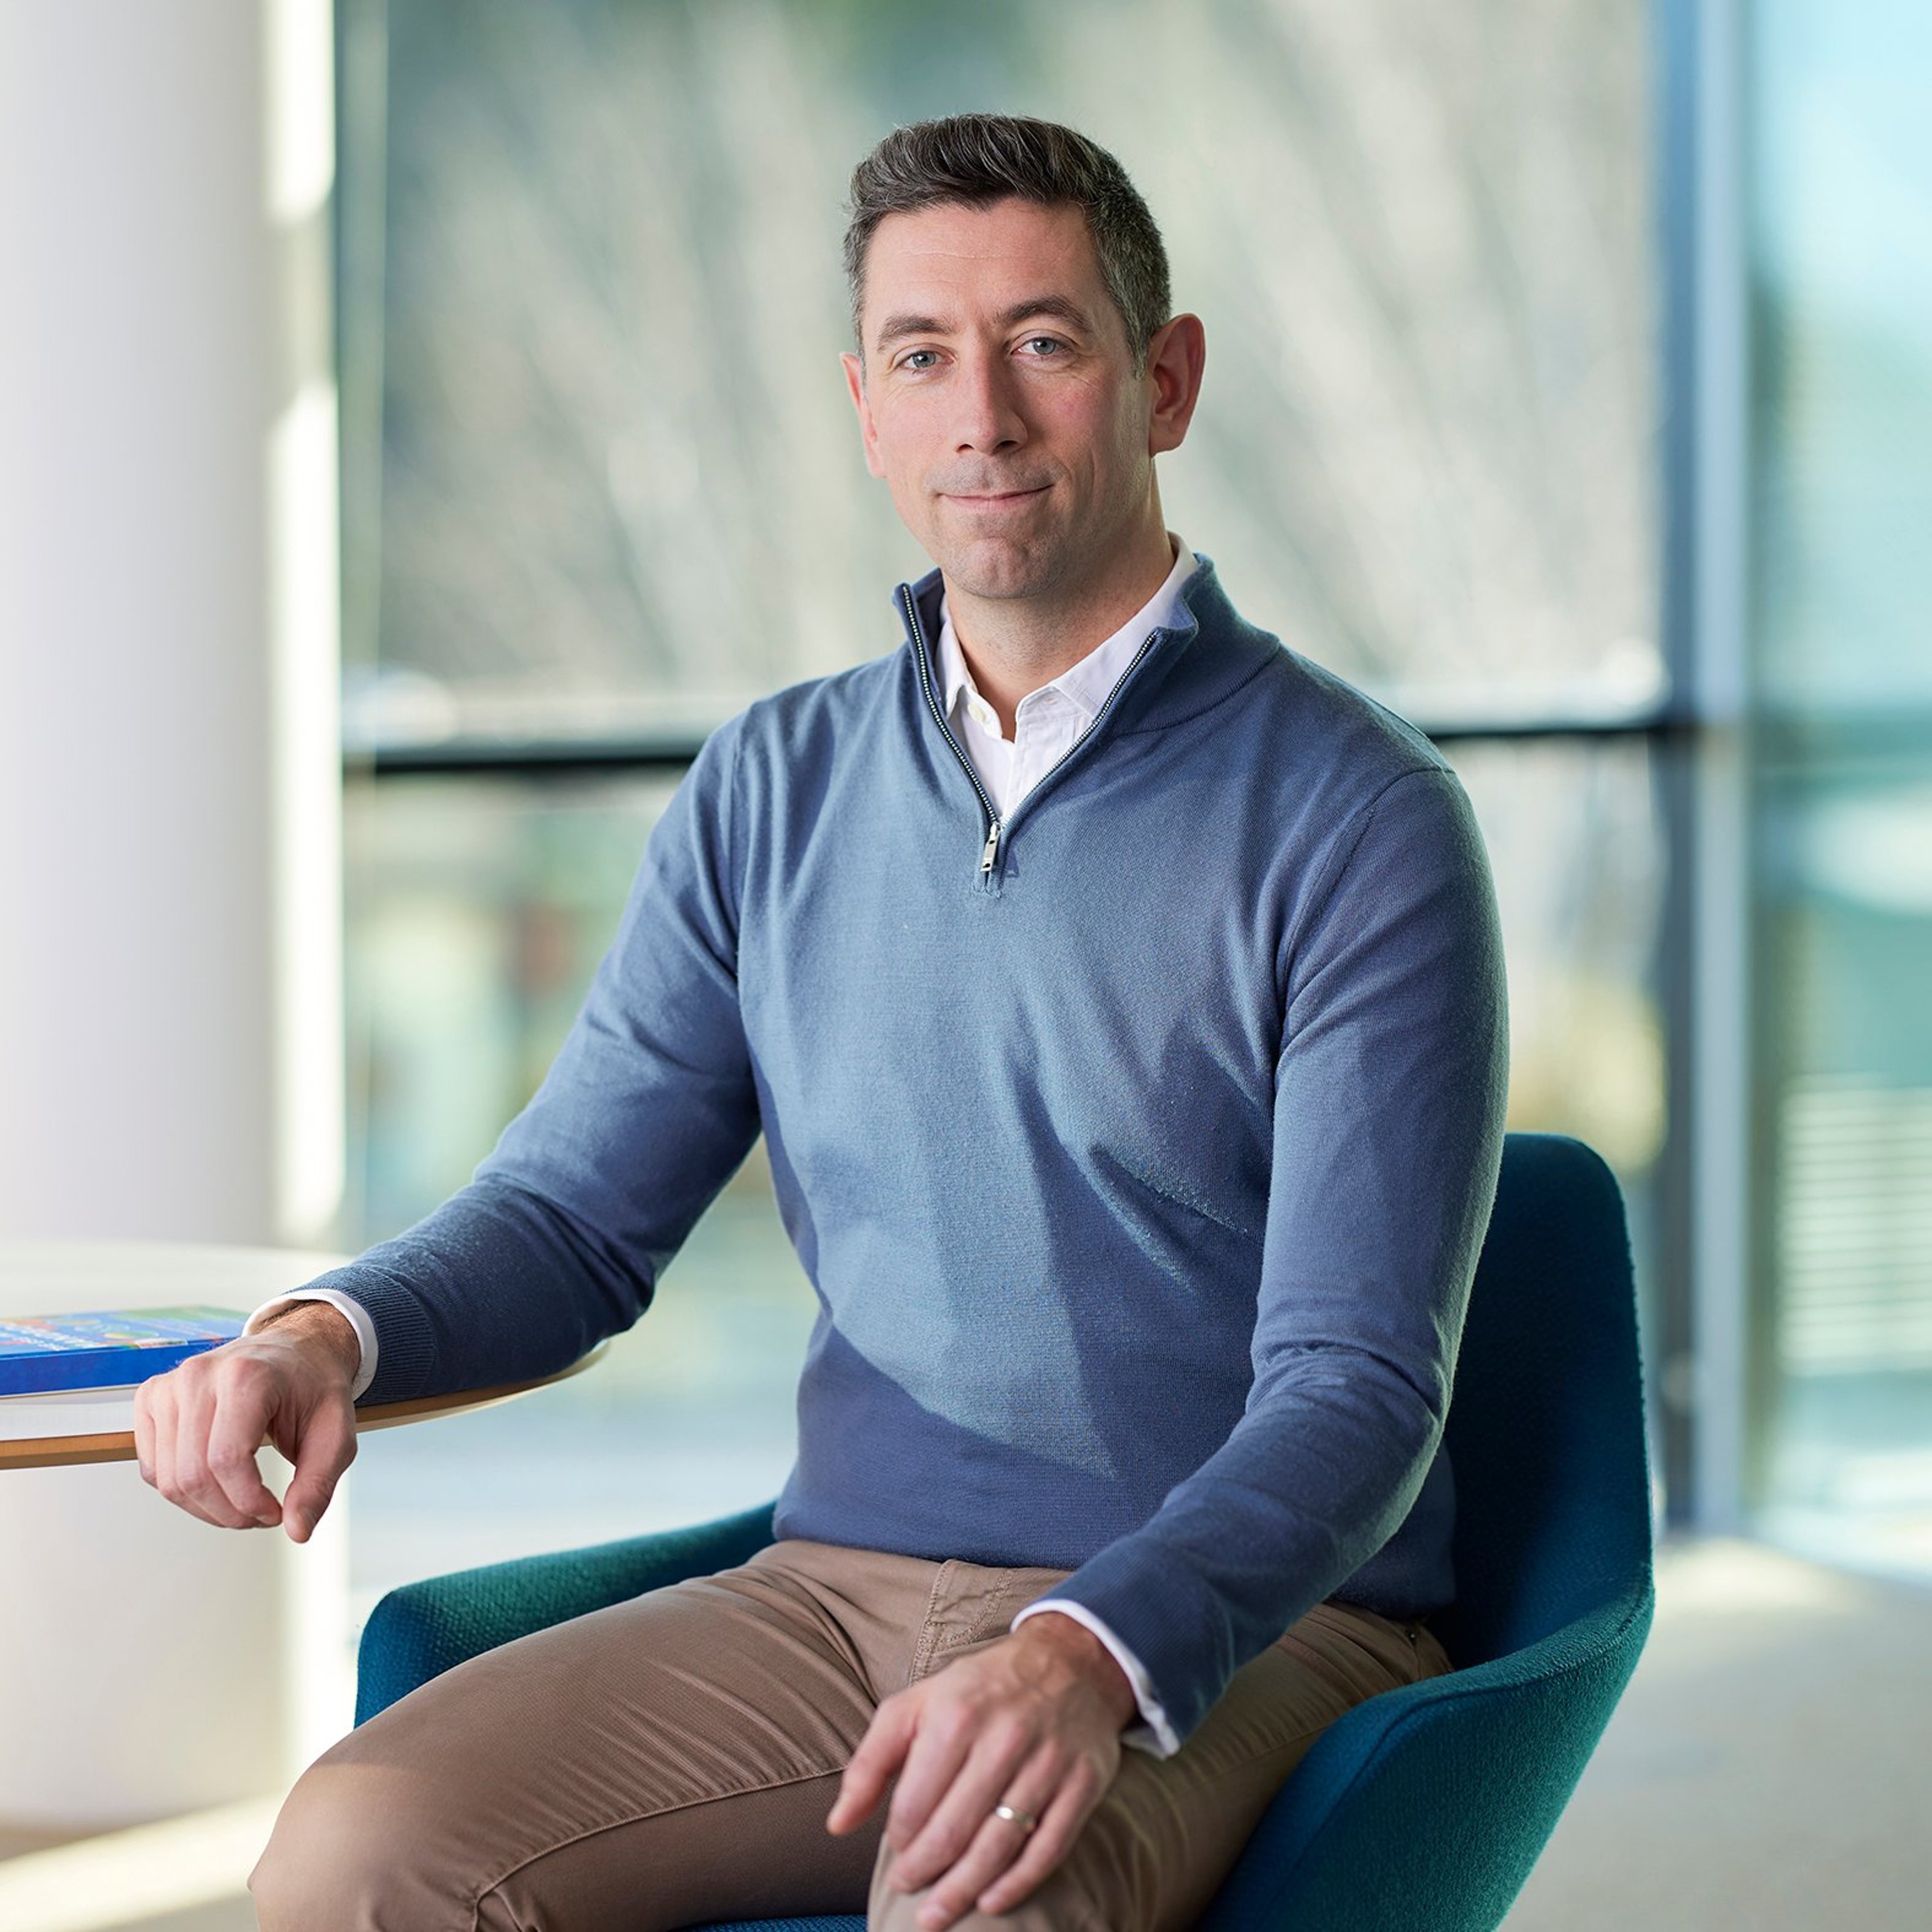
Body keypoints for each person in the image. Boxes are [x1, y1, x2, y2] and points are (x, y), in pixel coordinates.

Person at [136, 112, 1508, 1931]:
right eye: (925, 358)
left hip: (1238, 1624)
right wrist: (333, 1335)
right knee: (357, 1851)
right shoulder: (770, 786)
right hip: (835, 1598)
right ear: (865, 408)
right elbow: (571, 1216)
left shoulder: (1363, 820)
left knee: (979, 1900)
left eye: (1044, 344)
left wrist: (1094, 1651)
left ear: (1164, 381)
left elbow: (1357, 1391)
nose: (984, 421)